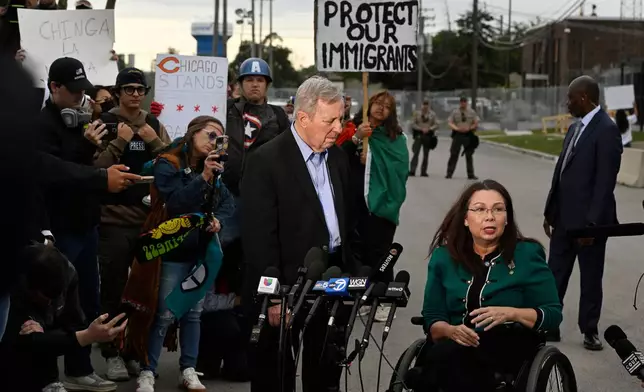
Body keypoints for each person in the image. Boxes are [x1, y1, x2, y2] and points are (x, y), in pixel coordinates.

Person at [241, 76, 356, 392]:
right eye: (329, 120)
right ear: (303, 118)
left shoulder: (338, 157)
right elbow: (258, 237)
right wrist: (274, 295)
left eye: (341, 118)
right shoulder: (265, 161)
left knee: (325, 371)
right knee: (275, 376)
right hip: (287, 288)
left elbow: (349, 220)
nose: (337, 127)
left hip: (332, 279)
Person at [38, 56, 132, 391]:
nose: (81, 99)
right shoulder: (42, 124)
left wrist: (95, 147)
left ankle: (80, 369)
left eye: (84, 91)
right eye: (74, 92)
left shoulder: (82, 121)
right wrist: (86, 149)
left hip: (86, 224)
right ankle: (48, 377)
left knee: (87, 302)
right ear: (54, 88)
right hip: (59, 227)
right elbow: (54, 174)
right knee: (50, 304)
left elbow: (85, 170)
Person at [422, 179, 562, 392]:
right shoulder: (444, 258)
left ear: (507, 218)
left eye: (498, 209)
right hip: (453, 344)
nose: (489, 216)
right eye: (479, 209)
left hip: (508, 344)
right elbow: (432, 317)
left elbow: (552, 314)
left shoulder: (528, 255)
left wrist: (512, 314)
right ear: (466, 219)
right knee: (448, 355)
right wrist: (450, 330)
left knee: (451, 360)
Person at [130, 116, 235, 392]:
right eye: (211, 135)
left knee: (193, 313)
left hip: (199, 250)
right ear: (192, 134)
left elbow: (227, 202)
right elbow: (176, 204)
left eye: (219, 138)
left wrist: (218, 221)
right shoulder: (169, 162)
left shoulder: (211, 166)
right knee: (163, 313)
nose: (215, 142)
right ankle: (147, 370)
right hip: (170, 249)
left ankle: (188, 368)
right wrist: (203, 178)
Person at [95, 67, 171, 380]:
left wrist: (154, 143)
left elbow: (173, 168)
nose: (135, 95)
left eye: (140, 89)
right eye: (129, 89)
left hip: (148, 221)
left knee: (142, 291)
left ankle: (134, 351)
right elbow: (93, 170)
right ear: (118, 92)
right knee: (112, 289)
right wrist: (118, 143)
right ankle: (111, 351)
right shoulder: (105, 123)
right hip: (112, 221)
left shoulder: (154, 125)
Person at [543, 75, 623, 350]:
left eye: (571, 98)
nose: (567, 103)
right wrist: (549, 211)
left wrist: (592, 224)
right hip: (564, 220)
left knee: (590, 278)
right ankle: (550, 326)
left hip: (590, 223)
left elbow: (605, 182)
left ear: (585, 98)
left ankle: (589, 330)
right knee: (555, 274)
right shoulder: (575, 128)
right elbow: (561, 172)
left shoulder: (606, 129)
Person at [0, 243, 128, 392]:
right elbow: (24, 340)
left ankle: (53, 381)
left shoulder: (68, 273)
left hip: (41, 321)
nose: (50, 302)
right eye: (46, 297)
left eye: (56, 297)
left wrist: (87, 334)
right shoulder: (14, 282)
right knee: (22, 348)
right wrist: (86, 336)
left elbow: (74, 323)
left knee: (54, 330)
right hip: (9, 351)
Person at [343, 91, 409, 322]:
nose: (381, 108)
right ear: (368, 105)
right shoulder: (354, 129)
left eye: (387, 106)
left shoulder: (395, 137)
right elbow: (338, 158)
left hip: (381, 204)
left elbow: (399, 169)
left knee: (381, 252)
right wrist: (356, 139)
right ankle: (368, 296)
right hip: (357, 203)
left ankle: (384, 298)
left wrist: (371, 159)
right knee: (361, 251)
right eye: (378, 103)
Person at [446, 97, 479, 180]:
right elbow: (450, 122)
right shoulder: (455, 112)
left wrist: (470, 128)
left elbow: (476, 122)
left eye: (465, 102)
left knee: (469, 155)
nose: (463, 103)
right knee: (454, 154)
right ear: (460, 103)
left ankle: (471, 174)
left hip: (468, 134)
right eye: (462, 102)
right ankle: (449, 173)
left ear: (467, 103)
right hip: (458, 134)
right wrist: (456, 128)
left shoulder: (471, 112)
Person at [409, 100, 439, 177]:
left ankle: (423, 171)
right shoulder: (417, 113)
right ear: (421, 105)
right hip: (419, 135)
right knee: (416, 153)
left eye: (427, 104)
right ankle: (412, 170)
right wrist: (420, 128)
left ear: (429, 105)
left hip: (428, 136)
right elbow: (412, 123)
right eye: (424, 104)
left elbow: (436, 124)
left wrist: (430, 129)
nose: (425, 106)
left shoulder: (432, 114)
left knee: (426, 154)